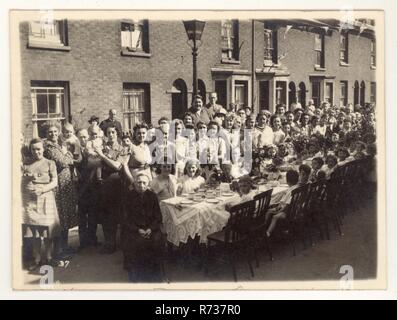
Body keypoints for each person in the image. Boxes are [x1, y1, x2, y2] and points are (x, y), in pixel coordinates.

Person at [22, 138, 61, 270]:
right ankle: (37, 258)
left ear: (43, 149)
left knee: (47, 231)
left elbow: (55, 182)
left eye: (38, 149)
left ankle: (49, 257)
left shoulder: (50, 163)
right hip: (31, 200)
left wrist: (43, 189)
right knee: (35, 231)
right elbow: (21, 182)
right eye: (33, 149)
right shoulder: (26, 163)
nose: (36, 152)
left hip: (46, 197)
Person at [121, 173, 164, 282]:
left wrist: (150, 229)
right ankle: (137, 275)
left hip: (150, 229)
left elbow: (158, 217)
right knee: (136, 242)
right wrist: (137, 230)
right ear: (134, 183)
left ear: (148, 184)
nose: (141, 185)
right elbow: (125, 219)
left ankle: (155, 274)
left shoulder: (152, 196)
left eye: (144, 183)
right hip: (134, 229)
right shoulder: (128, 197)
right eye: (139, 182)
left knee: (157, 240)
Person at [43, 122, 78, 256]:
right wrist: (68, 154)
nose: (53, 134)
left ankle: (64, 247)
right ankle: (59, 250)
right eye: (50, 132)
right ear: (46, 134)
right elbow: (64, 162)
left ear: (59, 133)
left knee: (65, 217)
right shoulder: (49, 147)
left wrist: (66, 154)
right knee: (60, 218)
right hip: (58, 187)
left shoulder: (58, 145)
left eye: (55, 131)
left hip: (65, 185)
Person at [95, 125, 127, 254]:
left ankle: (122, 243)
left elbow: (117, 166)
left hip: (117, 184)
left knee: (118, 214)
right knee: (106, 215)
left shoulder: (122, 149)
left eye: (113, 132)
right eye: (109, 132)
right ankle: (109, 243)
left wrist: (103, 156)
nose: (111, 134)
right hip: (104, 185)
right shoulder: (102, 147)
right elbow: (95, 163)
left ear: (117, 134)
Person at [76, 129, 99, 249]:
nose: (83, 139)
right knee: (82, 216)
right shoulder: (75, 151)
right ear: (77, 138)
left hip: (93, 187)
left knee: (93, 215)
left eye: (85, 137)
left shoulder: (93, 149)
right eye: (81, 137)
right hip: (81, 188)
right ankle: (83, 242)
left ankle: (92, 239)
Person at [265, 169, 300, 237]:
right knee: (271, 209)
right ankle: (268, 228)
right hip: (293, 210)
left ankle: (267, 231)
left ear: (287, 180)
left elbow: (287, 205)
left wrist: (278, 210)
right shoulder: (296, 188)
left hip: (287, 212)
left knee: (270, 213)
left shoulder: (291, 191)